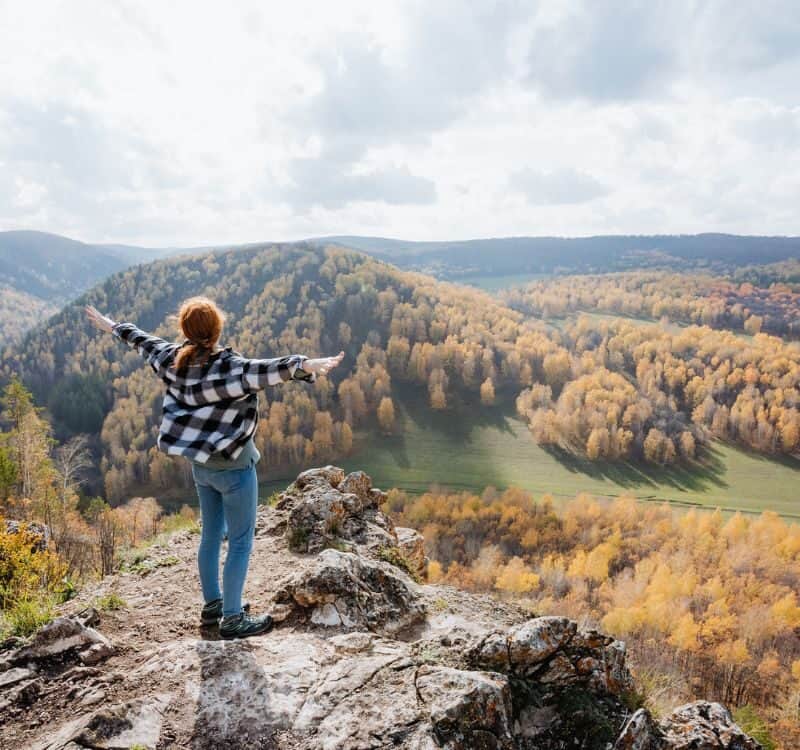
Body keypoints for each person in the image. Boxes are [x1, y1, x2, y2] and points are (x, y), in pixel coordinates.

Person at [86, 297, 344, 639]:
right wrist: (309, 364)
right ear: (217, 329)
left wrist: (113, 326)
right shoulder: (231, 368)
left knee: (210, 536)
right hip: (235, 468)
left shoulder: (171, 360)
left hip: (201, 467)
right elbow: (270, 369)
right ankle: (233, 618)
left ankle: (213, 607)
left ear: (185, 330)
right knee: (239, 542)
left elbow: (143, 340)